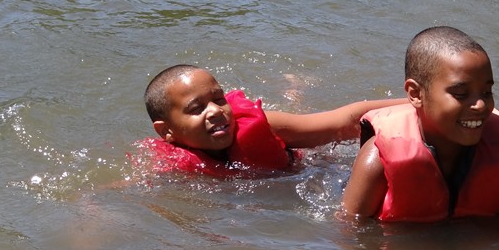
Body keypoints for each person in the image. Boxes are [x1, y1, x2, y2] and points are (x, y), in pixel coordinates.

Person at [341, 27, 499, 222]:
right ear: (415, 94)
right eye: (461, 94)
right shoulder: (377, 159)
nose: (480, 105)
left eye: (487, 93)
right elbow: (350, 228)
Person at [135, 64, 405, 177]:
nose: (215, 111)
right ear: (166, 131)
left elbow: (346, 121)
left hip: (300, 161)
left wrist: (417, 103)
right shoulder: (168, 164)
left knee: (301, 121)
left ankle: (295, 88)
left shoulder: (264, 126)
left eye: (219, 99)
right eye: (196, 108)